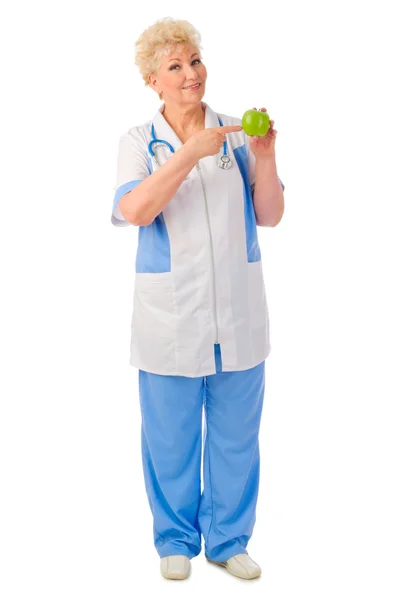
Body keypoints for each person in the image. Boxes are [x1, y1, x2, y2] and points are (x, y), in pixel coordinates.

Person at [111, 17, 285, 581]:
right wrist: (189, 153)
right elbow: (135, 211)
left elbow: (270, 215)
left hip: (239, 312)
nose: (191, 74)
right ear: (152, 81)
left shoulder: (237, 132)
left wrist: (266, 155)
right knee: (170, 439)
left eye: (195, 61)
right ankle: (176, 542)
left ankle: (229, 541)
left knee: (237, 438)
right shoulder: (140, 143)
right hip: (171, 319)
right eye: (175, 67)